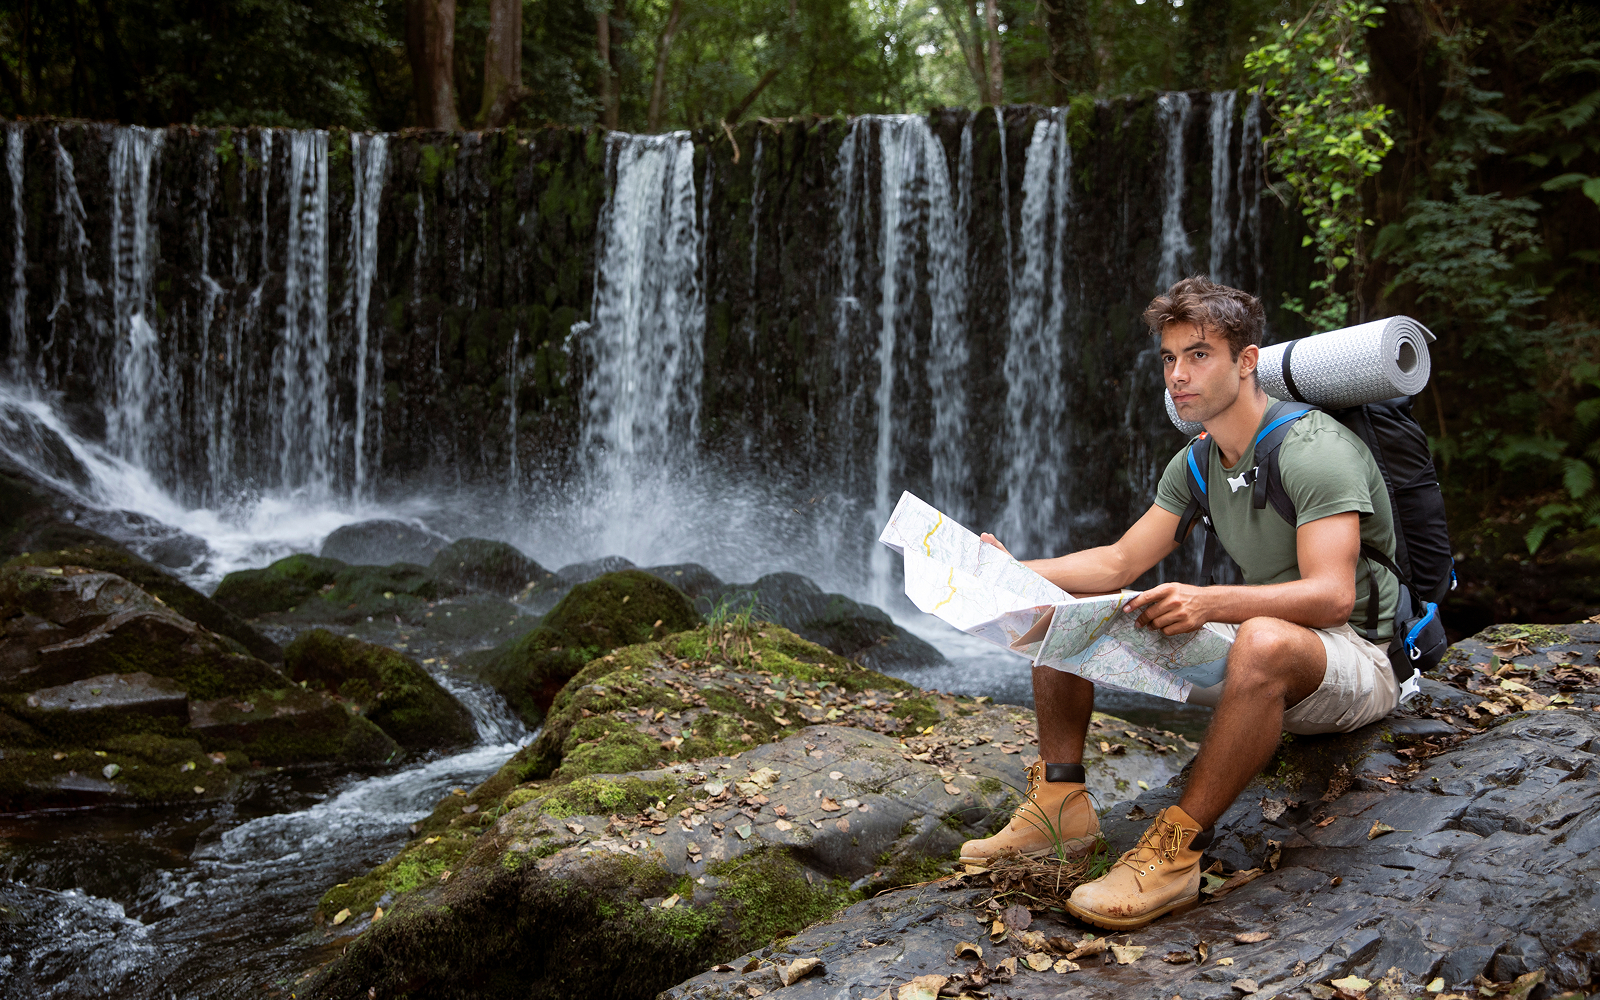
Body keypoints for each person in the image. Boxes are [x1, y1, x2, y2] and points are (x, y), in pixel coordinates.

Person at [959, 276, 1401, 930]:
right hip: (1257, 645)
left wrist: (1210, 602)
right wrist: (1006, 570)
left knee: (1264, 640)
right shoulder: (1197, 462)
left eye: (1198, 355)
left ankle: (1175, 853)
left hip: (1350, 661)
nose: (1178, 375)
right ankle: (1060, 803)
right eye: (1169, 359)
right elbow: (1118, 562)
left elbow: (1333, 597)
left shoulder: (1314, 450)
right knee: (1060, 606)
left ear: (1247, 361)